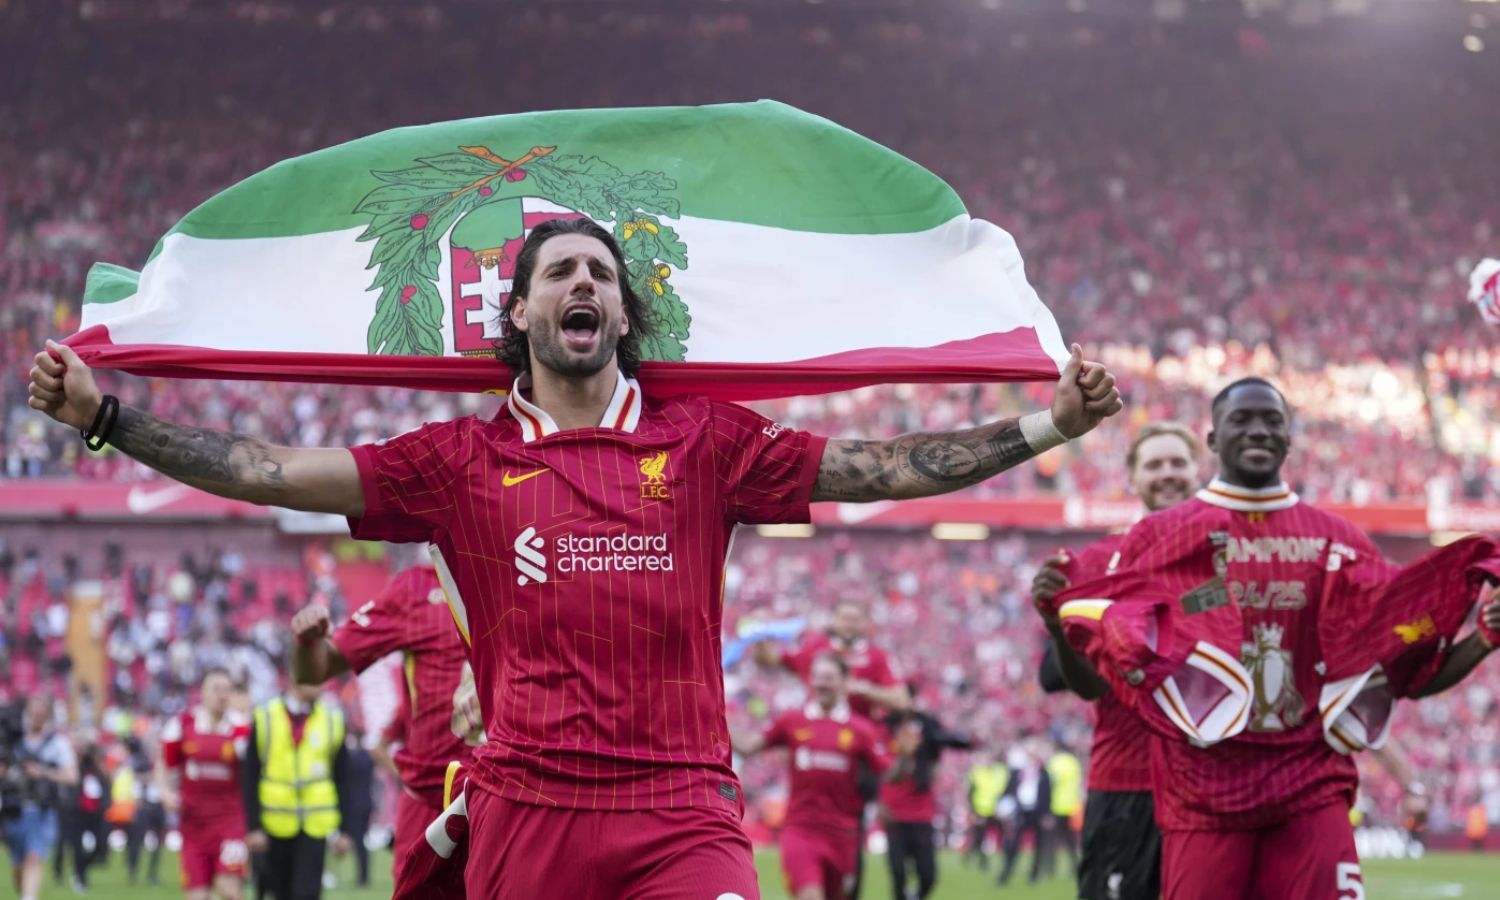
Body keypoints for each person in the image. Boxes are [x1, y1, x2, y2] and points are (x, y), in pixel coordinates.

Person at [28, 216, 1122, 898]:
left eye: (600, 270)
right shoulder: (456, 462)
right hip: (528, 815)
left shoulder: (708, 443)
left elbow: (882, 469)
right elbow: (273, 471)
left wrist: (1048, 428)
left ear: (624, 313)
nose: (583, 283)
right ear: (519, 310)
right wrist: (107, 419)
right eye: (559, 272)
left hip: (684, 810)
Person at [1049, 378, 1500, 900]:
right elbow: (1099, 679)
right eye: (1241, 420)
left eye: (1272, 420)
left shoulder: (1339, 541)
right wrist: (1060, 621)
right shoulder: (1157, 538)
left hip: (1310, 794)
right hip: (1202, 800)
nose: (1258, 430)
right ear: (1213, 438)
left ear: (1289, 437)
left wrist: (1482, 638)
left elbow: (1403, 673)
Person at [1033, 421, 1199, 900]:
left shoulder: (1228, 556)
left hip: (1212, 784)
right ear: (1132, 477)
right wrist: (1056, 626)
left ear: (1199, 471)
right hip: (1126, 784)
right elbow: (1074, 680)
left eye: (1177, 462)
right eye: (1154, 464)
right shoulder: (1098, 561)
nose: (1167, 473)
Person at [288, 547, 479, 885]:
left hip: (507, 793)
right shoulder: (414, 589)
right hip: (430, 799)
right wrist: (306, 641)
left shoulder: (527, 574)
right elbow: (315, 670)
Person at [732, 655, 900, 900]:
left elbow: (890, 773)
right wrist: (714, 718)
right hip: (801, 831)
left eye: (829, 678)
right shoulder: (792, 720)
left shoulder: (861, 729)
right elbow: (748, 746)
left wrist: (906, 757)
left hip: (844, 836)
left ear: (845, 681)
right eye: (817, 677)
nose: (821, 683)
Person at [241, 683, 355, 900]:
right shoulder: (266, 716)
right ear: (296, 678)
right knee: (279, 892)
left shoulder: (332, 719)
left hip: (315, 825)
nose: (321, 684)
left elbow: (344, 778)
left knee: (307, 893)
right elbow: (249, 776)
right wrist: (253, 826)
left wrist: (346, 829)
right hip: (275, 823)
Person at [158, 667, 251, 900]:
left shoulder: (241, 728)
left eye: (227, 690)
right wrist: (165, 791)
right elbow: (164, 763)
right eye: (216, 689)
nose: (222, 695)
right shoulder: (183, 724)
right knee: (197, 896)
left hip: (230, 822)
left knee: (229, 891)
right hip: (193, 826)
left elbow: (253, 771)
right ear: (202, 692)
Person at [881, 685, 973, 900]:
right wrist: (878, 801)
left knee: (928, 875)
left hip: (921, 812)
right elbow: (877, 769)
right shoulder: (884, 727)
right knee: (898, 873)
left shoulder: (927, 725)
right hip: (893, 812)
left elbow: (946, 741)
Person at [753, 601, 910, 719]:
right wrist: (759, 636)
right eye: (844, 618)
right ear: (834, 619)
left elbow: (901, 700)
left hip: (857, 734)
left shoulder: (877, 656)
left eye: (854, 619)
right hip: (815, 727)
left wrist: (861, 689)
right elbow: (770, 661)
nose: (849, 624)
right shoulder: (814, 647)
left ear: (865, 623)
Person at [4, 695, 78, 900]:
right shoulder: (14, 740)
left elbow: (72, 776)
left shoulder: (57, 743)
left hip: (42, 809)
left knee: (34, 857)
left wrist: (42, 773)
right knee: (18, 865)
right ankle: (25, 892)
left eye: (40, 715)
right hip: (15, 809)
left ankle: (29, 897)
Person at [996, 739, 1051, 887]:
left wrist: (1047, 814)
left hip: (1037, 812)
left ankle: (1034, 875)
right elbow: (1008, 789)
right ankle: (1006, 873)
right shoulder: (1018, 772)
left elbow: (1047, 794)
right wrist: (1001, 805)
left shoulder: (1043, 772)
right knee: (1013, 843)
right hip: (1020, 811)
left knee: (1038, 845)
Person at [1040, 740, 1082, 880]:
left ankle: (1050, 868)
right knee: (1070, 840)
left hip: (1056, 806)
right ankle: (1075, 866)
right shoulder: (1073, 762)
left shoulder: (1054, 762)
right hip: (1071, 806)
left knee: (1050, 839)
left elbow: (1049, 785)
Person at [961, 749, 1008, 871]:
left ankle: (972, 856)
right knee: (980, 836)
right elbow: (970, 793)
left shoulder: (998, 773)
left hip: (994, 810)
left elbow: (1002, 790)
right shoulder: (976, 773)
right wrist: (972, 811)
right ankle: (981, 861)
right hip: (980, 810)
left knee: (997, 834)